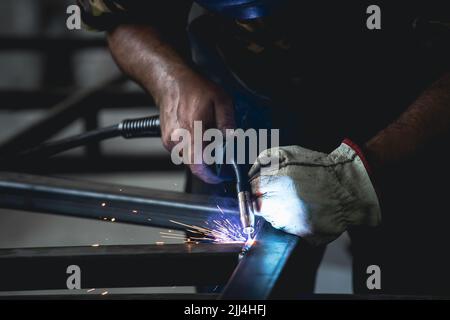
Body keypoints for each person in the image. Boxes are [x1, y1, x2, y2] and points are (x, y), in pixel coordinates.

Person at [77, 0, 450, 295]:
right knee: (233, 278)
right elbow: (122, 18)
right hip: (245, 99)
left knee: (406, 275)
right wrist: (169, 77)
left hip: (409, 107)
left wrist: (359, 172)